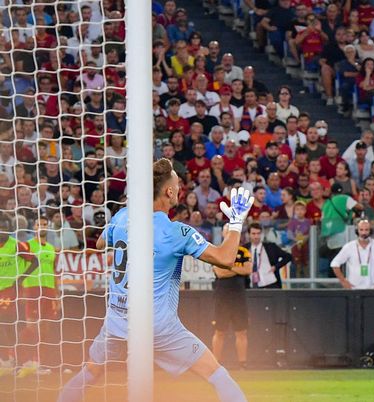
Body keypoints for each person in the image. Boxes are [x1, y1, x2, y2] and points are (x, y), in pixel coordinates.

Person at [56, 159, 254, 402]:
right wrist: (236, 222)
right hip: (158, 326)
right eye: (178, 185)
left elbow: (99, 243)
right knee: (216, 373)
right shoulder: (176, 232)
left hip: (117, 320)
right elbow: (225, 258)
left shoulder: (122, 216)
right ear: (169, 191)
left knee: (91, 373)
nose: (180, 190)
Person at [17, 216, 58, 377]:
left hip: (48, 291)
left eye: (45, 224)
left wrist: (57, 295)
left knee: (45, 329)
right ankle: (24, 361)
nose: (42, 226)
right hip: (32, 289)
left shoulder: (51, 248)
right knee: (31, 327)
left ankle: (39, 364)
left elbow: (54, 272)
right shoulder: (27, 246)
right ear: (34, 227)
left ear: (48, 227)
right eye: (39, 224)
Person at [0, 213, 36, 376]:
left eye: (4, 228)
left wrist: (20, 279)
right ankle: (9, 360)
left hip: (9, 292)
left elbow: (34, 261)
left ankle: (16, 360)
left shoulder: (16, 245)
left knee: (10, 325)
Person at [211, 224, 251, 370]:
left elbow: (248, 269)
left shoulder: (243, 251)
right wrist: (237, 269)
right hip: (222, 297)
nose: (229, 234)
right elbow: (219, 273)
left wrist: (227, 267)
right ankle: (215, 363)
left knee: (241, 331)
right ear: (223, 233)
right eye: (227, 231)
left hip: (239, 296)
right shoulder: (217, 251)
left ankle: (242, 363)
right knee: (219, 330)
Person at [331, 219, 374, 289]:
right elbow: (334, 264)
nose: (364, 233)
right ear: (357, 231)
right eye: (361, 230)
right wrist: (343, 281)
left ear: (370, 231)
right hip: (353, 289)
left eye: (366, 230)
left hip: (373, 288)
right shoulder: (349, 246)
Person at [244, 223, 292, 289]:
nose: (256, 236)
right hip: (250, 284)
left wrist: (275, 267)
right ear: (249, 234)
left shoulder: (271, 247)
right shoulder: (244, 249)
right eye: (253, 234)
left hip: (270, 283)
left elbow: (288, 256)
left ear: (262, 234)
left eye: (258, 233)